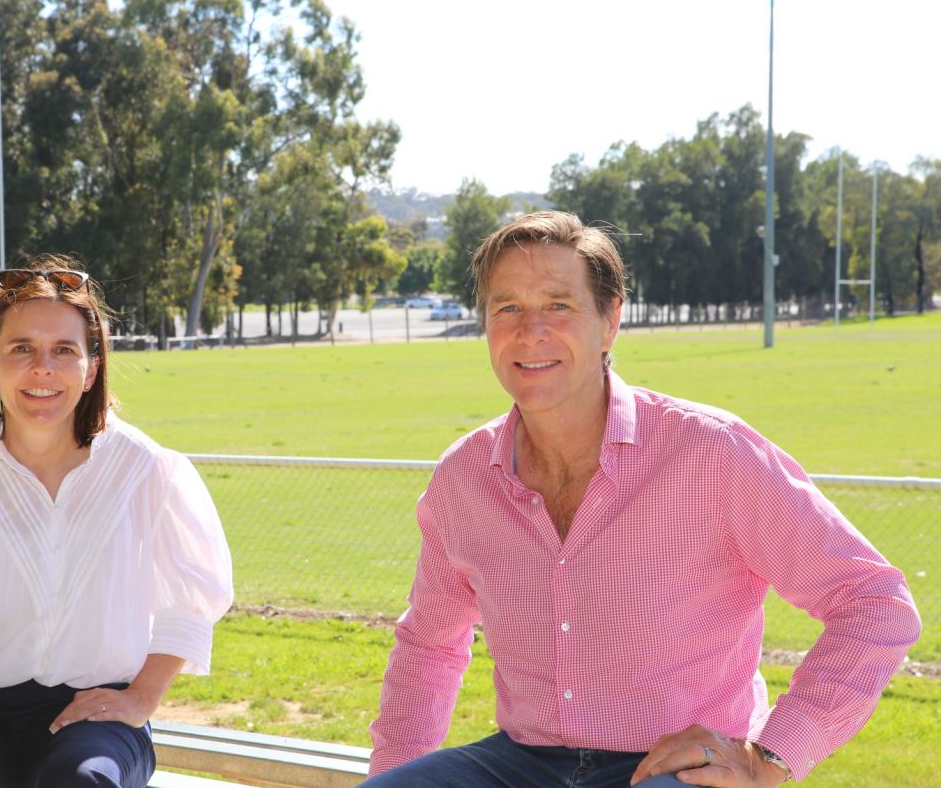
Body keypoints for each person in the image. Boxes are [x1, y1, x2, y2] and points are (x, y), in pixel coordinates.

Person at [361, 211, 920, 788]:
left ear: (610, 320)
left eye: (559, 304)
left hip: (671, 770)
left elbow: (874, 601)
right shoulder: (466, 478)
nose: (531, 331)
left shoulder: (710, 453)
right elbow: (429, 646)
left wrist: (771, 757)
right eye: (508, 308)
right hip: (520, 762)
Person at [0, 255, 233, 787]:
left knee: (82, 780)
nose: (43, 368)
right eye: (22, 349)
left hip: (91, 717)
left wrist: (140, 698)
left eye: (64, 350)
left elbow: (191, 604)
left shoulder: (146, 469)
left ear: (91, 368)